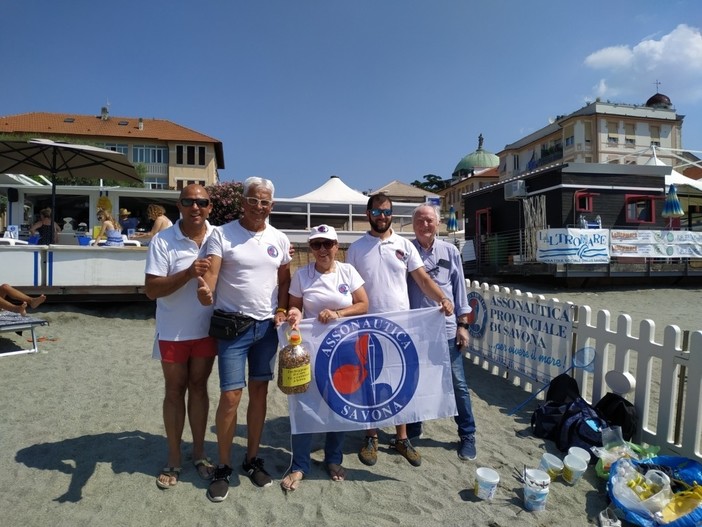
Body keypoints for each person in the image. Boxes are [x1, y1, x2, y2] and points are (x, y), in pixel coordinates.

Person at [196, 176, 291, 502]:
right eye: (253, 200)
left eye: (264, 201)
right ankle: (224, 465)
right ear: (243, 201)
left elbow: (284, 281)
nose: (259, 206)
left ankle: (251, 459)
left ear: (271, 205)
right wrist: (206, 289)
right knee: (231, 398)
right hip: (232, 329)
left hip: (266, 330)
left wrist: (282, 308)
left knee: (260, 394)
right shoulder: (222, 234)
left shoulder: (279, 238)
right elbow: (211, 273)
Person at [346, 193, 454, 468]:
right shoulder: (356, 249)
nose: (382, 217)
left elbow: (422, 279)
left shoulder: (404, 245)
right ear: (367, 214)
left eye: (387, 212)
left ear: (392, 214)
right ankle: (371, 435)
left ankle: (401, 438)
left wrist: (442, 298)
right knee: (369, 381)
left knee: (401, 383)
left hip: (400, 327)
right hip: (367, 327)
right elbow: (348, 292)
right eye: (377, 212)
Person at [280, 225, 369, 492]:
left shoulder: (347, 271)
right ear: (310, 249)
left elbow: (364, 304)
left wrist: (338, 313)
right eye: (316, 245)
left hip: (344, 348)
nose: (322, 250)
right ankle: (300, 465)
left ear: (336, 246)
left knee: (338, 404)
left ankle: (333, 458)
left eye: (327, 244)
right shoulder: (302, 275)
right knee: (304, 405)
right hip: (311, 348)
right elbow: (294, 304)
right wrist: (294, 314)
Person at [144, 184, 218, 490]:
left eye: (202, 202)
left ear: (210, 206)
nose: (195, 207)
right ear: (179, 205)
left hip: (207, 329)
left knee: (199, 388)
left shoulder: (219, 236)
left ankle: (199, 453)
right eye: (189, 201)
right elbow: (151, 290)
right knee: (175, 390)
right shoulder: (163, 240)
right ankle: (174, 457)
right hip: (173, 330)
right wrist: (187, 274)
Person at [407, 203, 477, 461]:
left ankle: (467, 434)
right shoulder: (405, 251)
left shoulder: (449, 250)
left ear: (438, 223)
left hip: (446, 328)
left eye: (429, 220)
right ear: (413, 225)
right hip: (415, 330)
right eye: (420, 221)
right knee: (414, 381)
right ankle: (414, 427)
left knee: (457, 383)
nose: (425, 225)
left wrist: (463, 324)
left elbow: (459, 289)